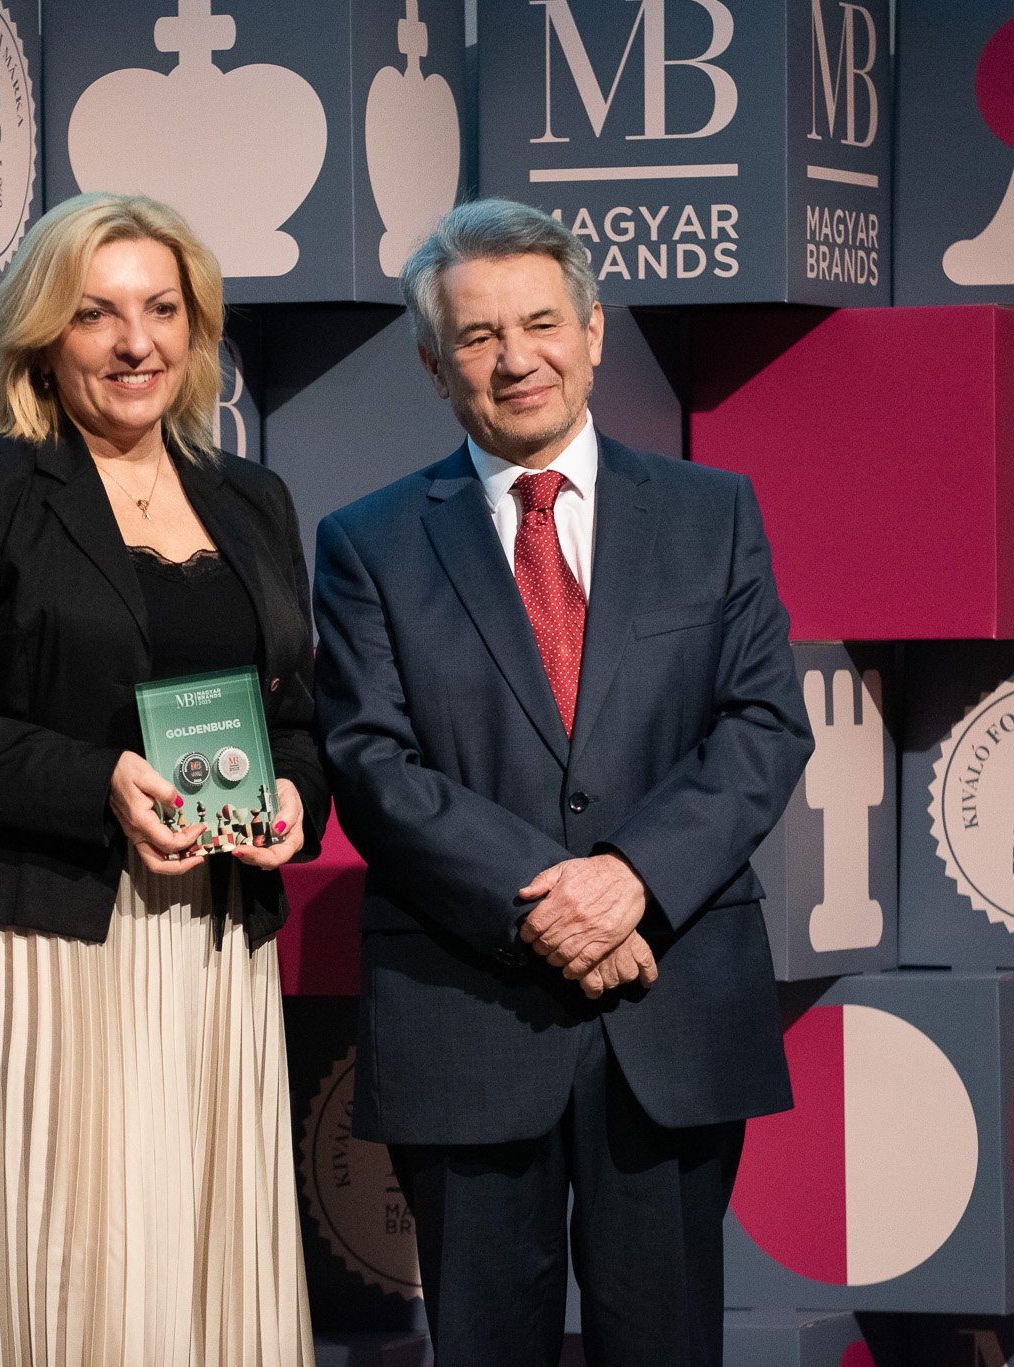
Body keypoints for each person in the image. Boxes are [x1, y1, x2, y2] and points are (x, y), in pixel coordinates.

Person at [312, 199, 813, 1367]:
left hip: (668, 1007)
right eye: (477, 335)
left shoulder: (710, 513)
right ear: (434, 365)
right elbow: (370, 764)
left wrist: (631, 878)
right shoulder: (365, 541)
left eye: (540, 322)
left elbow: (760, 725)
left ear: (591, 332)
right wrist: (555, 903)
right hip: (468, 1016)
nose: (515, 357)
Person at [0, 192, 324, 1367]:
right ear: (43, 336)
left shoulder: (250, 499)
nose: (133, 342)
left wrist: (294, 798)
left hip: (209, 941)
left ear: (196, 328)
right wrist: (94, 777)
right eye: (95, 313)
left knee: (196, 1257)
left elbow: (295, 719)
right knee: (64, 1257)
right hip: (37, 942)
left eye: (161, 309)